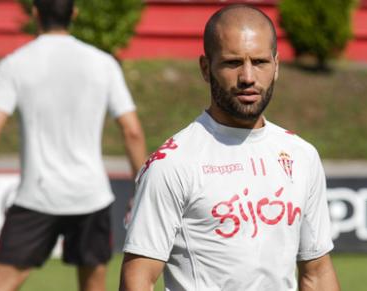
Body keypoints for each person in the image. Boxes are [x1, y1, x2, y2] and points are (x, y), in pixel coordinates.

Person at [120, 4, 339, 291]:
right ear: (205, 68)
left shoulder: (301, 156)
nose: (248, 77)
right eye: (233, 62)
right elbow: (138, 279)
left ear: (276, 67)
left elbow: (317, 273)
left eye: (260, 62)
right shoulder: (172, 163)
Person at [0, 0, 147, 290]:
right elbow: (133, 131)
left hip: (36, 196)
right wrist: (142, 189)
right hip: (91, 196)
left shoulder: (15, 63)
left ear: (35, 13)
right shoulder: (104, 63)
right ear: (74, 14)